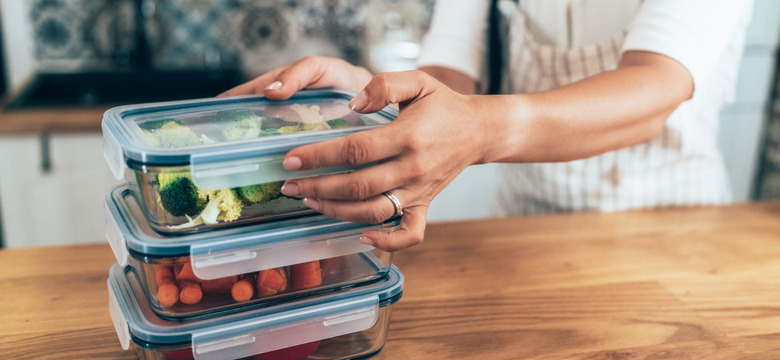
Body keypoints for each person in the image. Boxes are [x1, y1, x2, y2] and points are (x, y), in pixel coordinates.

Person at [220, 0, 754, 252]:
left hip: (677, 233)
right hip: (522, 234)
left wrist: (481, 129)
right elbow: (446, 79)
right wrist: (368, 94)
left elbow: (655, 87)